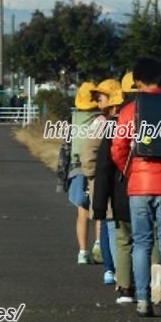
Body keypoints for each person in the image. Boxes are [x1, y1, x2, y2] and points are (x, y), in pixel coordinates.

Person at [112, 57, 161, 318]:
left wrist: (131, 172)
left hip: (139, 184)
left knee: (141, 242)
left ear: (137, 80)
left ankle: (142, 300)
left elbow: (118, 148)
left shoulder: (131, 109)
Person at [83, 79, 124, 285]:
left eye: (101, 97)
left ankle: (112, 268)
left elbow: (88, 152)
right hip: (109, 180)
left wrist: (93, 174)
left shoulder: (103, 123)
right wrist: (94, 174)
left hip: (105, 180)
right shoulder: (104, 122)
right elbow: (89, 154)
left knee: (110, 226)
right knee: (110, 226)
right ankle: (113, 268)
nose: (98, 101)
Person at [68, 81, 101, 264]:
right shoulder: (101, 118)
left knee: (82, 211)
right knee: (99, 209)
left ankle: (82, 251)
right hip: (96, 167)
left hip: (77, 167)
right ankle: (98, 244)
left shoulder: (74, 118)